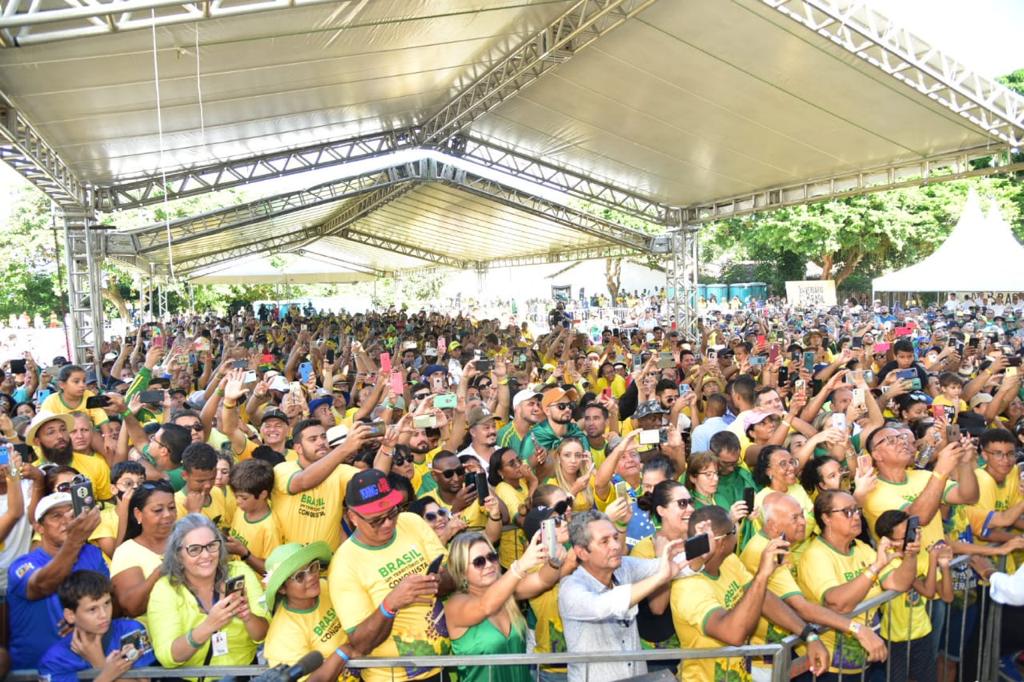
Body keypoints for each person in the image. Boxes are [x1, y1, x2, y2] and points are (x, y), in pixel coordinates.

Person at [739, 492, 887, 670]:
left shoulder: (781, 543)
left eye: (802, 514)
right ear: (773, 526)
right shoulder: (765, 550)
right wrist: (857, 628)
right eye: (795, 518)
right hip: (765, 663)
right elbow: (801, 607)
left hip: (781, 652)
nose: (803, 522)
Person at [328, 469, 450, 682]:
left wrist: (439, 581)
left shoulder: (411, 521)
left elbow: (452, 578)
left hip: (441, 666)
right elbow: (360, 644)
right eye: (376, 520)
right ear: (353, 518)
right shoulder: (344, 565)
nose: (388, 523)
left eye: (392, 513)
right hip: (392, 676)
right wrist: (390, 604)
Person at [558, 509, 692, 682]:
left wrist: (700, 550)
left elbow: (672, 567)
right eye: (604, 541)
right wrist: (660, 578)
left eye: (615, 537)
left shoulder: (625, 566)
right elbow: (604, 606)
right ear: (582, 552)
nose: (615, 545)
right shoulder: (571, 589)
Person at [798, 491, 920, 681]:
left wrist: (911, 556)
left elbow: (898, 583)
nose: (856, 516)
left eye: (857, 510)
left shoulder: (862, 548)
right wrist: (876, 567)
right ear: (826, 518)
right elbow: (838, 604)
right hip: (828, 668)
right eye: (847, 512)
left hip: (867, 662)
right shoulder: (816, 556)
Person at [146, 514, 269, 674]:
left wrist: (247, 616)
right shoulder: (166, 589)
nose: (206, 555)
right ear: (178, 555)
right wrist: (208, 626)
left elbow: (263, 634)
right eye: (195, 549)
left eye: (212, 545)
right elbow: (168, 656)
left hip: (243, 675)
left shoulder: (240, 572)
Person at [444, 531, 560, 682]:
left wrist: (554, 559)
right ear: (461, 571)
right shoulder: (455, 604)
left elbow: (543, 580)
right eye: (479, 562)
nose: (489, 565)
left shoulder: (506, 593)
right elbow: (485, 606)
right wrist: (520, 566)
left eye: (492, 557)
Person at [7, 492, 105, 670]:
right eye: (56, 516)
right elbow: (43, 585)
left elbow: (112, 600)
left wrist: (86, 621)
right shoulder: (22, 565)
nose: (66, 521)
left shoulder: (93, 554)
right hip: (33, 672)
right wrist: (75, 540)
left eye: (72, 514)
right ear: (39, 527)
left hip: (85, 669)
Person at [38, 570, 156, 682]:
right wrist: (104, 673)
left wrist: (99, 662)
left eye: (107, 603)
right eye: (92, 609)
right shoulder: (55, 660)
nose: (104, 615)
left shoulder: (130, 631)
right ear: (70, 615)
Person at [263, 541, 356, 681]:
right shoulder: (283, 635)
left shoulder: (326, 587)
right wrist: (343, 653)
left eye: (312, 568)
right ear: (282, 589)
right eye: (300, 576)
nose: (312, 576)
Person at [271, 419, 367, 549]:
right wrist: (345, 447)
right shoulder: (282, 469)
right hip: (292, 564)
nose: (321, 442)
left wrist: (387, 449)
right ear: (298, 448)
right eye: (313, 439)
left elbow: (370, 482)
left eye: (323, 437)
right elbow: (303, 482)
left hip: (328, 563)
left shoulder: (339, 471)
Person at [110, 480, 176, 618]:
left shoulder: (186, 541)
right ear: (138, 514)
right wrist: (158, 574)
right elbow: (131, 607)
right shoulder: (127, 552)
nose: (167, 515)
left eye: (171, 508)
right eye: (158, 510)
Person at [225, 459, 281, 574]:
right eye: (236, 496)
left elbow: (271, 571)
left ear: (263, 494)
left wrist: (244, 553)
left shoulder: (270, 528)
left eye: (244, 498)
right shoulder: (241, 510)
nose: (238, 502)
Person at [489, 446, 535, 569]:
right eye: (511, 464)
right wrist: (534, 483)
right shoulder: (503, 489)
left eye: (518, 460)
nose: (518, 465)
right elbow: (523, 521)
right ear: (500, 472)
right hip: (514, 560)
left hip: (527, 554)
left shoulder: (521, 482)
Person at [175, 443, 234, 525]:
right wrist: (193, 513)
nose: (208, 485)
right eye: (200, 481)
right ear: (184, 475)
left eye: (212, 478)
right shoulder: (176, 505)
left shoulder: (217, 492)